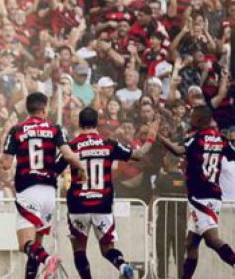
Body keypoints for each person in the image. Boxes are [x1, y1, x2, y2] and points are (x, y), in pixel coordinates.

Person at [59, 107, 156, 279]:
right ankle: (122, 264)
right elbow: (139, 154)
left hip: (78, 204)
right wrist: (151, 137)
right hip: (102, 204)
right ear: (96, 123)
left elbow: (54, 169)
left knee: (79, 249)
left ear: (79, 124)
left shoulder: (72, 146)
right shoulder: (109, 144)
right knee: (107, 249)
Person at [1, 92, 86, 279]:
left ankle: (48, 260)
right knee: (35, 246)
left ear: (27, 109)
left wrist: (4, 139)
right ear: (45, 109)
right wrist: (81, 169)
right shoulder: (55, 129)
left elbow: (6, 164)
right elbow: (69, 155)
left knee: (25, 245)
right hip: (49, 192)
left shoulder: (17, 130)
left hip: (28, 190)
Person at [158, 105, 235, 277]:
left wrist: (158, 137)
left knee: (212, 239)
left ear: (200, 119)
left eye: (192, 116)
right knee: (191, 244)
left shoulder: (198, 138)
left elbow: (178, 151)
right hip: (211, 193)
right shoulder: (221, 139)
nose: (190, 118)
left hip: (201, 197)